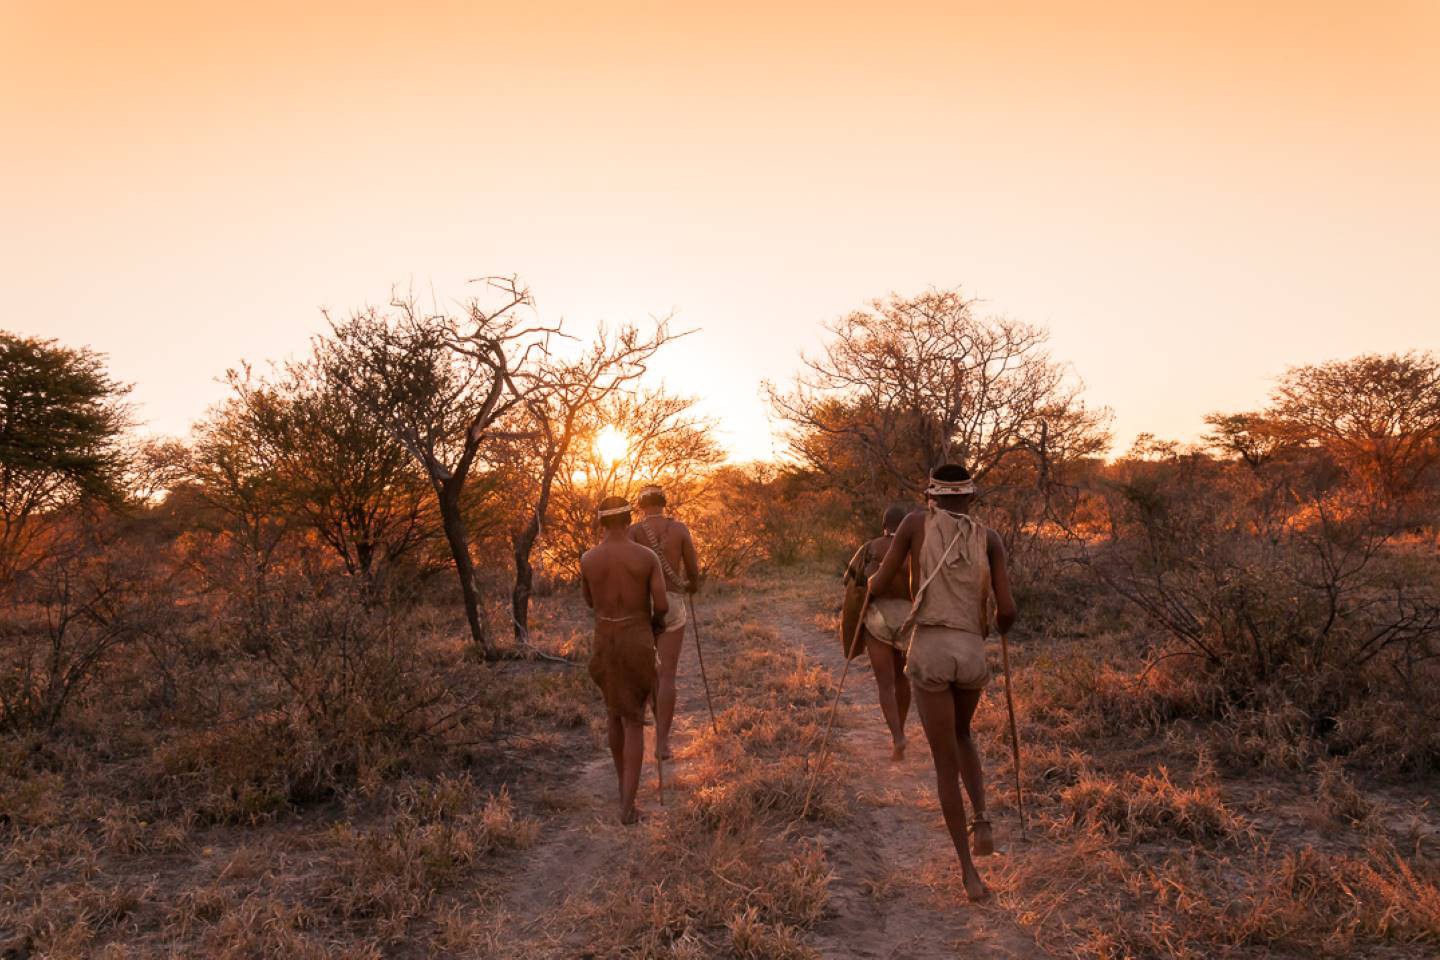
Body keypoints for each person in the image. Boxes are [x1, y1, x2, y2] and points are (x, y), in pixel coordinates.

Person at [868, 464, 1017, 902]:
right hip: (971, 650)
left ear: (931, 496)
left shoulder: (913, 524)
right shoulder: (990, 539)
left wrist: (870, 584)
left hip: (930, 647)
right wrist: (996, 623)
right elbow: (1006, 612)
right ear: (970, 498)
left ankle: (969, 872)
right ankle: (983, 818)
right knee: (964, 734)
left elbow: (882, 581)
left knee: (943, 762)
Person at [581, 495, 668, 825]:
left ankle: (624, 793)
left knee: (614, 713)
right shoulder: (645, 557)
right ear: (630, 520)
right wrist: (653, 624)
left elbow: (589, 601)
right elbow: (661, 604)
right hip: (636, 635)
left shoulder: (588, 559)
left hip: (604, 638)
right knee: (634, 720)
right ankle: (628, 808)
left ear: (601, 523)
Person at [628, 484, 701, 761]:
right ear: (664, 503)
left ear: (641, 506)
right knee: (668, 673)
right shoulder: (679, 529)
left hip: (642, 606)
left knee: (650, 672)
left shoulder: (633, 532)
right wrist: (690, 585)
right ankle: (663, 743)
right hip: (671, 603)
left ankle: (654, 733)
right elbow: (694, 571)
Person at [843, 504, 913, 760]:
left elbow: (849, 580)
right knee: (902, 679)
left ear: (884, 525)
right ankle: (902, 728)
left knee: (885, 683)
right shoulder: (914, 549)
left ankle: (897, 737)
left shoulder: (871, 547)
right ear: (904, 525)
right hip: (908, 619)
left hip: (877, 620)